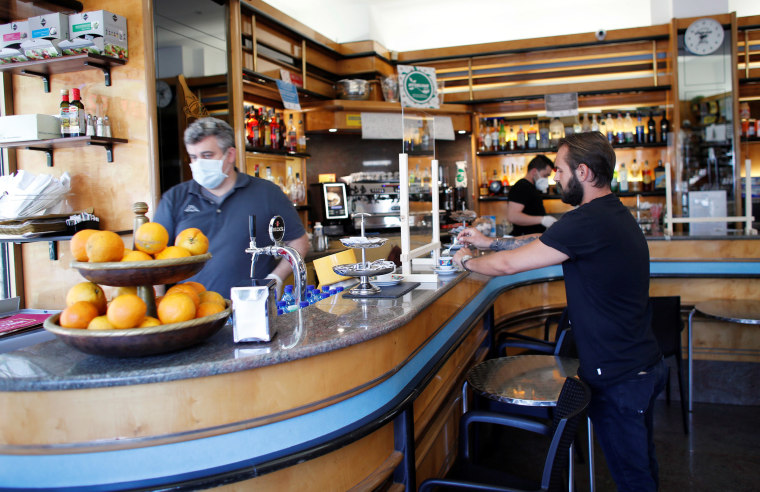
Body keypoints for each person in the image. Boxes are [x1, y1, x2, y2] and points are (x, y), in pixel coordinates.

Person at [453, 132, 666, 492]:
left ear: (583, 172)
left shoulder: (589, 221)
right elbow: (538, 242)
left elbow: (507, 266)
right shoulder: (603, 213)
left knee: (634, 478)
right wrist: (488, 242)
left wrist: (466, 261)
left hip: (620, 375)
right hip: (635, 363)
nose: (555, 178)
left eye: (560, 170)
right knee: (640, 466)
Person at [154, 117, 310, 298]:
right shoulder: (175, 198)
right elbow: (155, 260)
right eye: (193, 157)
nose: (199, 164)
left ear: (230, 155)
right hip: (192, 312)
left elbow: (299, 241)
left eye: (207, 155)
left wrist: (276, 278)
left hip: (253, 308)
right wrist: (157, 304)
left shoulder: (268, 193)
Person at [507, 155, 557, 236]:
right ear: (534, 172)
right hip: (524, 239)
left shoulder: (532, 187)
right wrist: (542, 220)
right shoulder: (521, 186)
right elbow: (512, 216)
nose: (546, 179)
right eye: (545, 176)